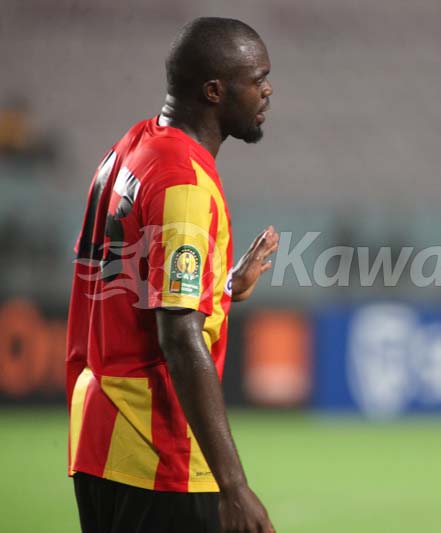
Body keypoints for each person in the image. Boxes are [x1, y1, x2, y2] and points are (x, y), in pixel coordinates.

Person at [66, 17, 280, 533]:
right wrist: (234, 487)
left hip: (97, 440)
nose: (267, 91)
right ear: (214, 91)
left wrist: (223, 288)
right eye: (257, 79)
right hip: (155, 453)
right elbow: (179, 335)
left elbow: (133, 287)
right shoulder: (182, 181)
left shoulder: (133, 147)